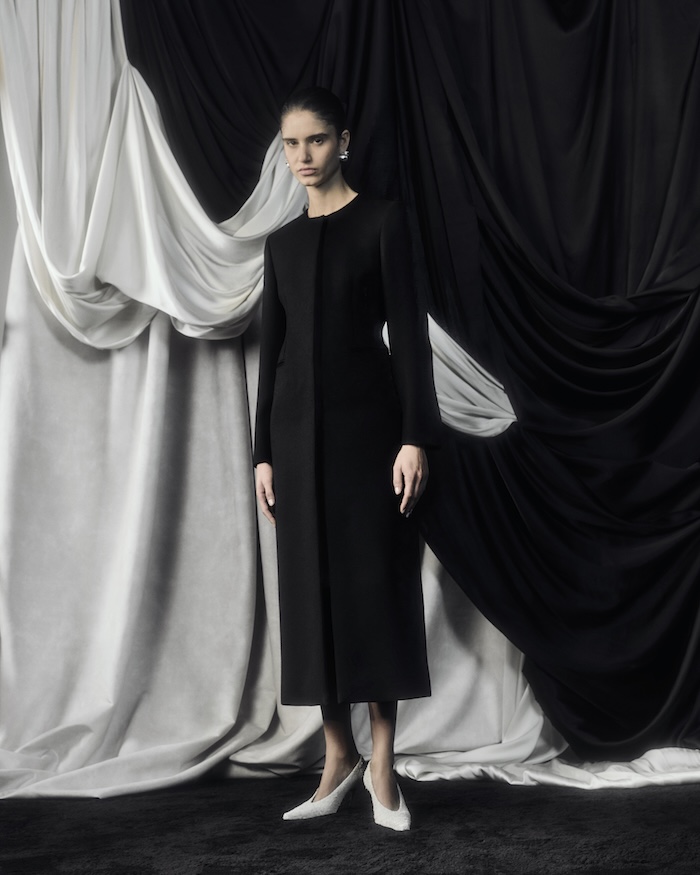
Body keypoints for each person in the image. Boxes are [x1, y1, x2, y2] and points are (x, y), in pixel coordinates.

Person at [253, 86, 441, 831]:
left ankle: (383, 767)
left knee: (373, 589)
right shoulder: (281, 244)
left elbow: (412, 340)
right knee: (312, 595)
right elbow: (271, 357)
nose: (303, 155)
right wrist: (262, 453)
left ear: (344, 142)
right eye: (292, 143)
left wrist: (415, 436)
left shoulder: (384, 221)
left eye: (316, 140)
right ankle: (337, 758)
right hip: (295, 443)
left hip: (372, 437)